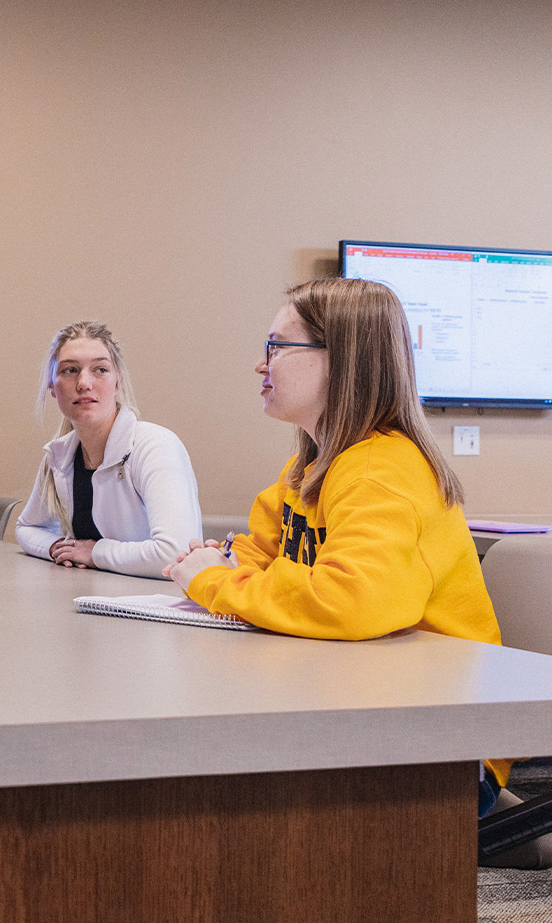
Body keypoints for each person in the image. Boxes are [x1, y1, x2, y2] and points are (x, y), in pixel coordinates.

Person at [163, 277, 504, 809]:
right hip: (365, 705)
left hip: (440, 744)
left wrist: (211, 580)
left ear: (340, 360)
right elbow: (264, 549)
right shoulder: (312, 465)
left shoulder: (380, 471)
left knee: (205, 780)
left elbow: (350, 602)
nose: (261, 365)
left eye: (277, 347)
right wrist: (221, 562)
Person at [15, 321, 202, 578]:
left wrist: (95, 553)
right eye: (70, 370)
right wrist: (59, 548)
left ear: (118, 383)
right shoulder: (60, 455)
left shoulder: (156, 446)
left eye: (100, 370)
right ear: (52, 387)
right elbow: (26, 527)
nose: (84, 383)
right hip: (85, 595)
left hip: (153, 598)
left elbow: (176, 554)